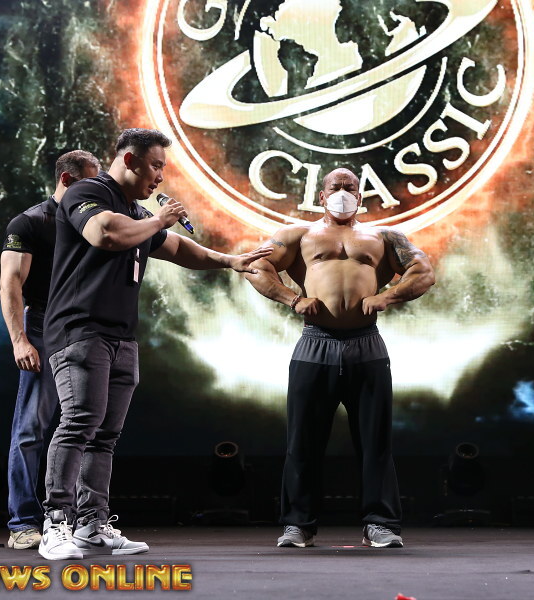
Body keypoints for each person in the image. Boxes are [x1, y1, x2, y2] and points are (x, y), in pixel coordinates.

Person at [39, 128, 272, 560]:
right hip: (79, 330)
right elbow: (104, 234)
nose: (161, 177)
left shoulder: (135, 211)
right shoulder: (88, 192)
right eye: (156, 166)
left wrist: (230, 261)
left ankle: (91, 524)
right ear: (129, 160)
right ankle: (55, 523)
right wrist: (158, 220)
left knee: (105, 435)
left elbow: (178, 248)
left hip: (121, 336)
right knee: (79, 422)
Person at [244, 167, 435, 549]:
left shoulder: (384, 237)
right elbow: (254, 264)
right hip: (315, 343)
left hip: (366, 344)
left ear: (360, 197)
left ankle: (380, 524)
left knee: (375, 441)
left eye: (350, 187)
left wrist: (388, 296)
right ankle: (298, 525)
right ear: (321, 195)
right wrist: (292, 299)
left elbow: (424, 271)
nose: (343, 192)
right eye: (336, 187)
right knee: (303, 441)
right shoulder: (297, 235)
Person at [0, 150, 101, 550]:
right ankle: (23, 523)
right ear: (67, 180)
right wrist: (19, 339)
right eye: (89, 183)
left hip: (86, 329)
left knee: (87, 427)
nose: (97, 192)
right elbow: (10, 282)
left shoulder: (92, 220)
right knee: (31, 428)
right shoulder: (29, 222)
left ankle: (83, 521)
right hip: (42, 327)